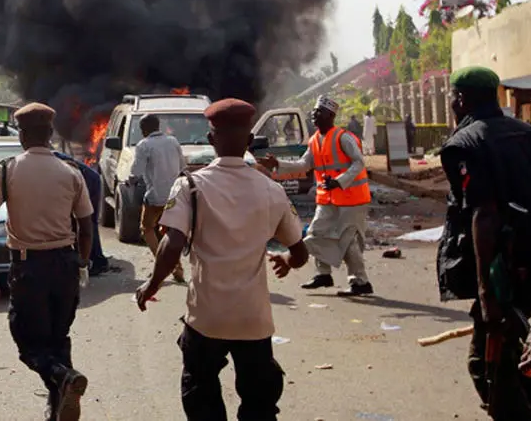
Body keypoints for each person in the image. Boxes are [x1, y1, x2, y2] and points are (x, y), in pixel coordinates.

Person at [135, 98, 308, 421]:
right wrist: (285, 259)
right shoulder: (272, 191)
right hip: (253, 321)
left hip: (206, 319)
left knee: (201, 395)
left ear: (211, 139)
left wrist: (151, 284)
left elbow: (172, 244)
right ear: (250, 141)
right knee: (259, 404)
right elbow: (300, 252)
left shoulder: (190, 186)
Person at [436, 66, 531, 419]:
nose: (452, 103)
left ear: (462, 99)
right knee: (510, 361)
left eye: (453, 97)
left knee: (487, 367)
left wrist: (487, 295)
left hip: (504, 273)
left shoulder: (464, 144)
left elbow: (485, 215)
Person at [0, 103, 94, 421]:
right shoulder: (71, 172)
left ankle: (62, 378)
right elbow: (86, 226)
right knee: (58, 337)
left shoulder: (6, 170)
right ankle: (57, 403)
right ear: (50, 134)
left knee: (28, 343)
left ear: (21, 134)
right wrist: (83, 263)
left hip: (27, 266)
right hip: (65, 265)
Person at [259, 95, 374, 297]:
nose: (314, 114)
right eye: (314, 110)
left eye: (319, 111)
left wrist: (340, 181)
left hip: (352, 199)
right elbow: (304, 165)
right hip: (328, 199)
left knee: (347, 241)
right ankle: (323, 274)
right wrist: (278, 164)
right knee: (315, 232)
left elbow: (359, 162)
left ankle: (360, 282)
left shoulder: (343, 138)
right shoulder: (315, 141)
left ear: (330, 115)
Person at [130, 114, 186, 283]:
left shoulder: (144, 145)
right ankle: (178, 269)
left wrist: (130, 180)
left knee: (146, 229)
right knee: (170, 234)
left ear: (144, 129)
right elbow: (183, 166)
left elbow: (136, 172)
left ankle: (164, 264)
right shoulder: (173, 141)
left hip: (156, 197)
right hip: (176, 196)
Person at [54, 148, 111, 276]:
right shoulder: (48, 160)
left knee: (88, 222)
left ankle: (97, 261)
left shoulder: (53, 162)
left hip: (89, 183)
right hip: (85, 180)